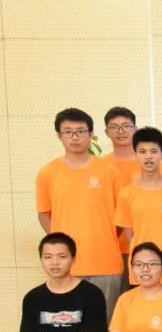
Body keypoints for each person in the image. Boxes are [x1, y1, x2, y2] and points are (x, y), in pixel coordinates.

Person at [36, 108, 123, 319]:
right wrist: (60, 246)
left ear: (91, 134)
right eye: (68, 132)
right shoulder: (47, 173)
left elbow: (122, 217)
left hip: (106, 261)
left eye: (81, 131)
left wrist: (106, 238)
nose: (75, 137)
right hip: (67, 264)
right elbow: (44, 214)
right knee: (69, 323)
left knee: (105, 323)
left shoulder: (110, 171)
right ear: (59, 136)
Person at [115, 127, 162, 291]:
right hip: (141, 272)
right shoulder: (126, 194)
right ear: (135, 155)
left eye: (154, 151)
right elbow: (130, 236)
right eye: (142, 152)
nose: (148, 156)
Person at [101, 106, 140, 276]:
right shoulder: (100, 166)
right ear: (106, 132)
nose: (121, 131)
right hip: (110, 247)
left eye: (126, 126)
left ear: (135, 129)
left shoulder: (149, 163)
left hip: (144, 246)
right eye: (114, 127)